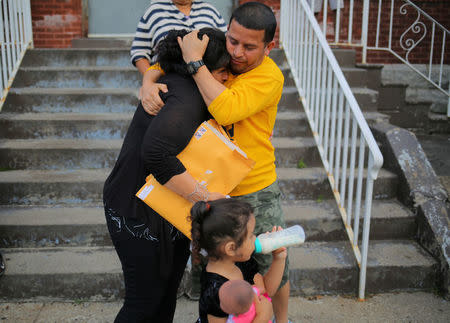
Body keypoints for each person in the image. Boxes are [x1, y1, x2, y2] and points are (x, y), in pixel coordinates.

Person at [144, 2, 291, 322]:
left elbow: (225, 109)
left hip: (255, 187)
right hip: (213, 185)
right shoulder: (225, 58)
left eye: (249, 47)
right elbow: (170, 54)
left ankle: (279, 320)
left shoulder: (269, 76)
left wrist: (195, 62)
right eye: (232, 40)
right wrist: (148, 80)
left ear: (270, 46)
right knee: (216, 267)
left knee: (268, 264)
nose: (237, 52)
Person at [103, 28, 230, 322]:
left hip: (164, 207)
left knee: (163, 295)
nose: (225, 79)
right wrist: (205, 197)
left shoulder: (181, 84)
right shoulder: (185, 96)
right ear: (202, 68)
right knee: (143, 302)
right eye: (222, 72)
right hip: (134, 207)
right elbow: (156, 153)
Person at [190, 199, 286, 323]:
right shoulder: (215, 290)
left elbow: (267, 289)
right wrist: (262, 318)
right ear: (231, 248)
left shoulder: (241, 262)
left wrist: (278, 258)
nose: (255, 238)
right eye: (251, 235)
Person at [130, 0, 227, 113]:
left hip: (205, 85)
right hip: (168, 85)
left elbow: (226, 46)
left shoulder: (210, 11)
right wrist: (150, 82)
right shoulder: (155, 11)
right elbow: (139, 52)